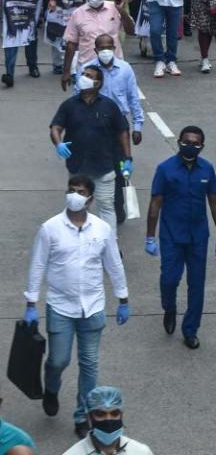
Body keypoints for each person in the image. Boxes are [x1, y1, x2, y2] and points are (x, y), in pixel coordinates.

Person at [23, 175, 129, 438]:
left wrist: (123, 298)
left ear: (90, 199)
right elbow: (38, 264)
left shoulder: (102, 229)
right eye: (71, 190)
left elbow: (113, 265)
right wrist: (31, 302)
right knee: (58, 360)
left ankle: (82, 416)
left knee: (90, 364)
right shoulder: (50, 228)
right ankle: (51, 388)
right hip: (60, 307)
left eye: (80, 192)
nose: (75, 195)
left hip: (92, 308)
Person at [145, 125, 216, 349]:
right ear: (179, 142)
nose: (190, 146)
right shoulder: (165, 169)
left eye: (195, 143)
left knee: (197, 285)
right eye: (186, 142)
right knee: (169, 280)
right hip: (172, 236)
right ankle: (169, 307)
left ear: (202, 146)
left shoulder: (207, 170)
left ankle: (190, 330)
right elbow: (155, 204)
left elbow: (215, 201)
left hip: (198, 237)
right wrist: (150, 236)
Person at [50, 65, 131, 233]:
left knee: (107, 207)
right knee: (77, 206)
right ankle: (78, 240)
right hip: (77, 168)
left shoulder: (109, 106)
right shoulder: (69, 105)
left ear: (98, 83)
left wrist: (127, 158)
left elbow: (123, 131)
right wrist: (58, 143)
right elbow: (56, 127)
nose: (83, 77)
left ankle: (110, 244)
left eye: (89, 75)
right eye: (83, 74)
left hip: (104, 166)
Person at [71, 35, 144, 158]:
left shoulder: (125, 69)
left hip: (119, 121)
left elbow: (133, 98)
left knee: (122, 158)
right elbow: (77, 97)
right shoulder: (86, 70)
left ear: (114, 48)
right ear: (95, 50)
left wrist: (137, 127)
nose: (105, 51)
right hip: (93, 120)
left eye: (109, 48)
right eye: (102, 48)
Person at [62, 0, 135, 85]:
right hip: (87, 69)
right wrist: (66, 72)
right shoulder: (77, 14)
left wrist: (121, 10)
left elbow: (131, 31)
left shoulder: (115, 8)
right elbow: (71, 44)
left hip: (114, 67)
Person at [62, 386, 154, 455]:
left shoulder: (141, 452)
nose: (108, 419)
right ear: (89, 418)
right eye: (100, 414)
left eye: (114, 413)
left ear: (121, 415)